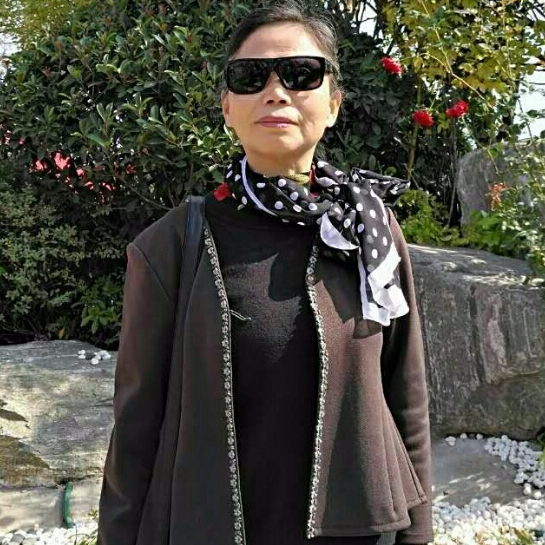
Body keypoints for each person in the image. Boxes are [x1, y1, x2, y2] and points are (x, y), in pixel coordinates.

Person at [97, 2, 433, 545]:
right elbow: (136, 428)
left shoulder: (369, 231)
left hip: (358, 532)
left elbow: (405, 395)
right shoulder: (171, 246)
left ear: (334, 104)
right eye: (251, 77)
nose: (276, 92)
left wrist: (418, 535)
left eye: (302, 73)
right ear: (228, 107)